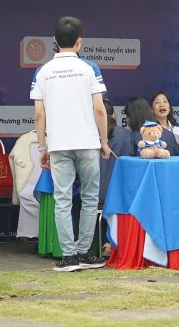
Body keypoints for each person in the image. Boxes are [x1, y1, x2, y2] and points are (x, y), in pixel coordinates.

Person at [31, 16, 111, 272]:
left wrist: (42, 148)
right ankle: (85, 253)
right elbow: (100, 109)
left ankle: (68, 257)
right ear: (79, 42)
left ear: (55, 41)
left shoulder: (42, 71)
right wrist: (104, 141)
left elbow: (39, 114)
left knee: (63, 199)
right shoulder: (90, 68)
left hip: (59, 144)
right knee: (89, 198)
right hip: (87, 143)